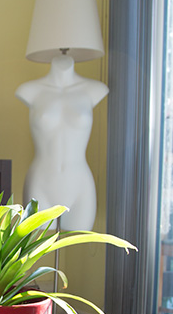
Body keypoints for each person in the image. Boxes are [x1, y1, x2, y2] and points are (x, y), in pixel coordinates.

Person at [15, 52, 108, 231]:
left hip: (80, 184)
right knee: (38, 246)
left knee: (77, 239)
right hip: (41, 182)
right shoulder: (29, 90)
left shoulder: (94, 89)